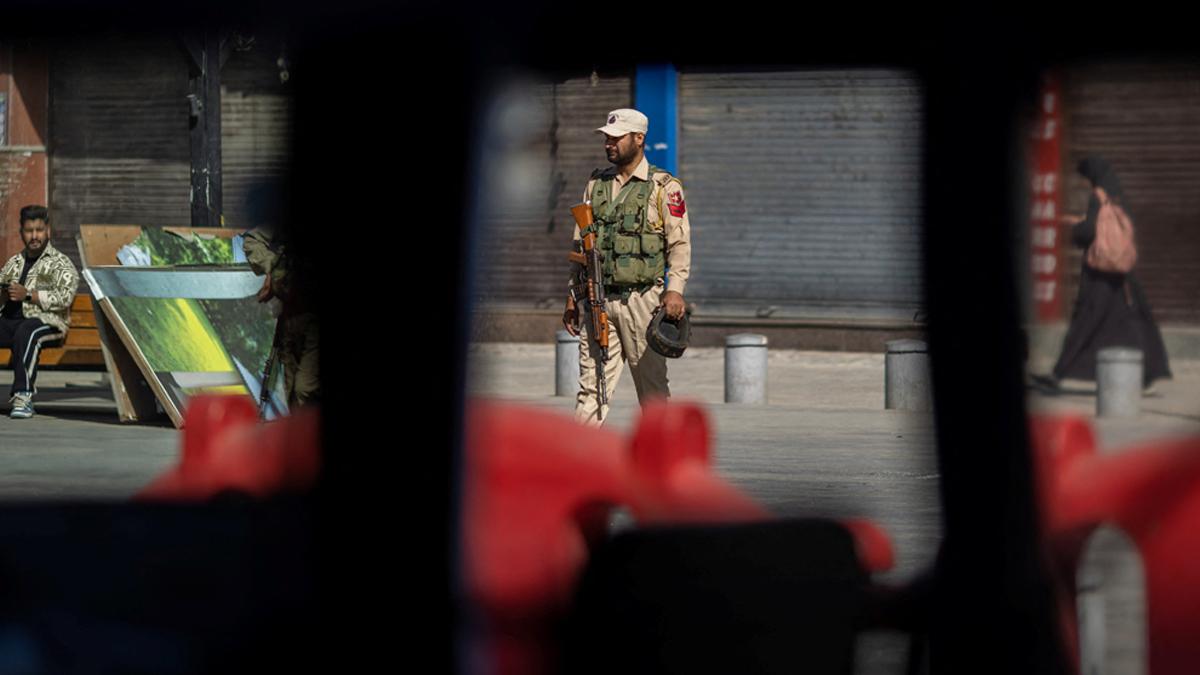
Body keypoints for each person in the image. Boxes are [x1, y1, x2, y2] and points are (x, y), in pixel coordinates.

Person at [562, 108, 691, 425]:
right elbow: (581, 246)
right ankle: (581, 453)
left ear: (639, 138)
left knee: (653, 392)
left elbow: (679, 244)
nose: (609, 144)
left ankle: (660, 454)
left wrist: (675, 290)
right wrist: (572, 296)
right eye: (607, 138)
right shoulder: (596, 184)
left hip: (642, 301)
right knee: (591, 390)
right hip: (599, 300)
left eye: (616, 138)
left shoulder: (663, 187)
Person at [1035, 157, 1171, 394]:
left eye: (1086, 177)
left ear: (1093, 175)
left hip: (1099, 275)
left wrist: (1073, 230)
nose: (1086, 182)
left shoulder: (1097, 196)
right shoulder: (1117, 194)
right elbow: (1110, 226)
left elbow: (1089, 232)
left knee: (1086, 322)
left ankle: (1057, 375)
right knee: (1128, 324)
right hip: (1120, 275)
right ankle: (1147, 372)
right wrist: (1082, 221)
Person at [241, 183, 319, 410]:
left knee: (304, 388)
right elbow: (252, 241)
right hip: (291, 316)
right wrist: (274, 269)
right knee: (292, 388)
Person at [0, 205, 80, 418]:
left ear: (48, 231)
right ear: (21, 232)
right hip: (10, 322)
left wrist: (28, 294)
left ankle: (23, 396)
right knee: (21, 330)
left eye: (39, 230)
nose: (34, 236)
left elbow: (64, 298)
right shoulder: (14, 263)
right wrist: (4, 295)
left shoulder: (61, 264)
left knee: (27, 331)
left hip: (49, 322)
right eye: (29, 231)